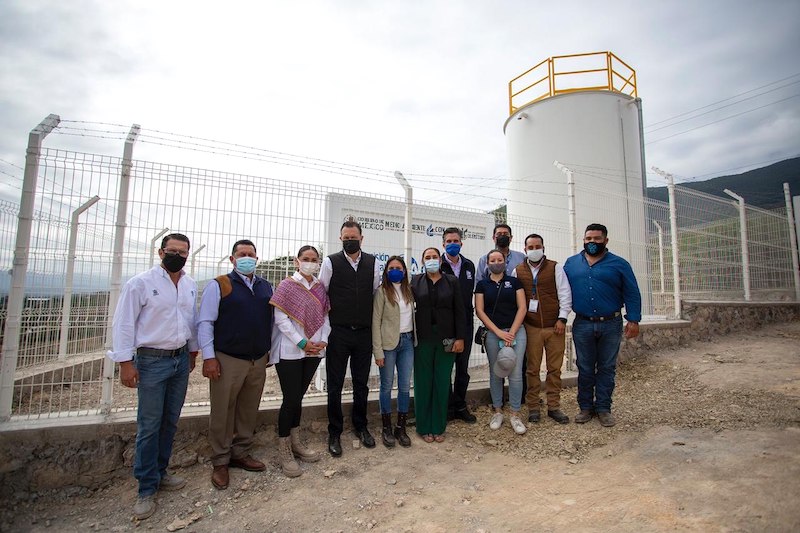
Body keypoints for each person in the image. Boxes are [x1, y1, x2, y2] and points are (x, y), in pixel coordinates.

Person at [108, 233, 199, 521]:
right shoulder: (140, 284)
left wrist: (193, 352)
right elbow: (123, 322)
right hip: (150, 361)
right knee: (149, 424)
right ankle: (146, 487)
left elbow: (191, 321)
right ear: (161, 252)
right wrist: (125, 362)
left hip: (180, 360)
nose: (178, 256)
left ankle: (161, 472)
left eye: (183, 252)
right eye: (172, 251)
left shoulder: (189, 284)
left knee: (170, 420)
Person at [198, 239, 274, 490]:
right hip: (228, 358)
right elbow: (206, 322)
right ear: (232, 259)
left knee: (248, 408)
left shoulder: (266, 287)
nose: (247, 258)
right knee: (223, 409)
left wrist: (269, 352)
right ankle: (220, 460)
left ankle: (240, 452)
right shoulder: (220, 285)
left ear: (257, 258)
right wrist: (209, 357)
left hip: (257, 359)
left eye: (251, 254)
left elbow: (271, 321)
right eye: (242, 254)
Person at [563, 223, 642, 427]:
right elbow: (561, 291)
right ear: (583, 240)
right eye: (588, 239)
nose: (592, 242)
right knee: (585, 367)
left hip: (611, 324)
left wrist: (633, 319)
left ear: (606, 240)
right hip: (583, 324)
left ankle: (604, 408)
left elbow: (632, 292)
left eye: (597, 239)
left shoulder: (619, 264)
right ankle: (586, 407)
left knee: (607, 367)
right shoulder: (571, 264)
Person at [319, 220, 382, 457]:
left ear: (362, 238)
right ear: (341, 239)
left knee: (361, 384)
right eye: (345, 238)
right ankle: (334, 431)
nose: (349, 241)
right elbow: (323, 294)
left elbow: (375, 292)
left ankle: (361, 426)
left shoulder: (373, 263)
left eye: (353, 237)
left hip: (363, 334)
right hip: (339, 332)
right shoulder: (330, 262)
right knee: (334, 385)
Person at [269, 245, 330, 477]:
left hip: (314, 351)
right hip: (290, 351)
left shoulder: (319, 287)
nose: (310, 262)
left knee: (299, 397)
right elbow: (281, 320)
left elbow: (325, 317)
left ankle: (296, 442)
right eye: (306, 258)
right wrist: (302, 342)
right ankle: (284, 448)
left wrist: (322, 340)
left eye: (314, 259)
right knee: (290, 398)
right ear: (297, 261)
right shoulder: (287, 286)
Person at [513, 233, 573, 424]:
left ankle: (554, 407)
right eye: (530, 247)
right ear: (525, 249)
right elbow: (515, 299)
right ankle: (533, 408)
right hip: (531, 327)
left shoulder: (556, 268)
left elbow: (565, 293)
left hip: (554, 326)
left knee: (554, 369)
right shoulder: (518, 270)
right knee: (532, 369)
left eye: (537, 246)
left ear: (543, 248)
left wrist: (562, 319)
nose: (534, 250)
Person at [411, 247, 466, 443]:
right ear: (422, 261)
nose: (431, 260)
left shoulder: (451, 281)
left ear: (440, 260)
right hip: (423, 339)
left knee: (442, 382)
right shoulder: (415, 281)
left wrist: (460, 337)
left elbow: (460, 310)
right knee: (423, 382)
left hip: (447, 339)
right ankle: (424, 426)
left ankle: (438, 426)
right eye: (428, 257)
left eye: (434, 256)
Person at [475, 249, 528, 435]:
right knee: (496, 372)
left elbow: (522, 307)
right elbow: (479, 310)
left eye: (500, 259)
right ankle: (497, 411)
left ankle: (515, 413)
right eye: (492, 260)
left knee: (515, 373)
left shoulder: (514, 282)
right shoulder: (482, 285)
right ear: (487, 263)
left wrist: (511, 333)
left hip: (516, 333)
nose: (496, 262)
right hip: (492, 333)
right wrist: (497, 332)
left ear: (505, 262)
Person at [372, 256, 415, 448]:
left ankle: (401, 427)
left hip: (407, 342)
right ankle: (386, 428)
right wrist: (378, 351)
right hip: (388, 344)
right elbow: (375, 322)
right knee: (386, 386)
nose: (395, 270)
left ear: (404, 271)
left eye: (398, 267)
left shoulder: (409, 290)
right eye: (391, 268)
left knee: (405, 386)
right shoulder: (382, 292)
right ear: (386, 271)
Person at [439, 227, 477, 424]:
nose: (452, 244)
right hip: (447, 326)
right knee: (446, 367)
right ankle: (447, 408)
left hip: (466, 325)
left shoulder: (469, 266)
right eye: (449, 241)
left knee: (462, 367)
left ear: (461, 243)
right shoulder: (437, 265)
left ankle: (460, 406)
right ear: (443, 244)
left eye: (456, 240)